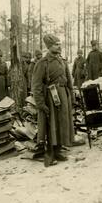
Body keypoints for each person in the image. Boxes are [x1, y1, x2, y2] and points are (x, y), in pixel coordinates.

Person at [32, 34, 75, 166]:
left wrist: (71, 96)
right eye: (57, 44)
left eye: (59, 44)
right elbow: (37, 85)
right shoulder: (42, 63)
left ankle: (58, 149)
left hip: (63, 94)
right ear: (49, 47)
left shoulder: (62, 60)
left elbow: (68, 80)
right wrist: (40, 104)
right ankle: (50, 151)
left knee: (62, 122)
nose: (59, 46)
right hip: (50, 97)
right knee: (52, 124)